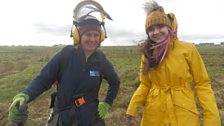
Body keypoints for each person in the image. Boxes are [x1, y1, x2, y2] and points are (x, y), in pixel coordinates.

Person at [8, 1, 120, 126]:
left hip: (91, 119)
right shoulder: (65, 55)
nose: (92, 39)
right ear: (78, 35)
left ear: (101, 37)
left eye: (96, 35)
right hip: (64, 119)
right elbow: (43, 79)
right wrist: (25, 94)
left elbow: (115, 82)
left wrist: (107, 103)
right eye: (88, 34)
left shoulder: (101, 60)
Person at [126, 1, 221, 126]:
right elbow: (145, 84)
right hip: (154, 115)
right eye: (151, 29)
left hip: (185, 114)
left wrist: (212, 120)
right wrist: (132, 108)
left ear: (169, 27)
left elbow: (202, 85)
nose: (155, 32)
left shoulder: (188, 49)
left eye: (160, 26)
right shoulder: (148, 54)